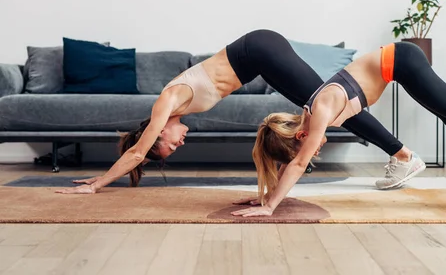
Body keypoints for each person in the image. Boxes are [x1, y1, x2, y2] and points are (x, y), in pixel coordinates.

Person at [55, 30, 425, 195]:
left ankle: (403, 155)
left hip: (257, 51)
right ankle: (401, 154)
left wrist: (98, 183)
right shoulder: (175, 105)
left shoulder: (165, 104)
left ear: (157, 135)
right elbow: (139, 152)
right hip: (257, 56)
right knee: (328, 107)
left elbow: (137, 153)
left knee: (325, 104)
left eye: (168, 146)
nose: (178, 144)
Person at [232, 41, 446, 217]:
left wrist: (271, 206)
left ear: (301, 136)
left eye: (312, 151)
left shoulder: (318, 112)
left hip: (402, 60)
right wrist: (268, 193)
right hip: (400, 63)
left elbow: (297, 163)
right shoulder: (313, 114)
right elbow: (295, 160)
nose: (316, 153)